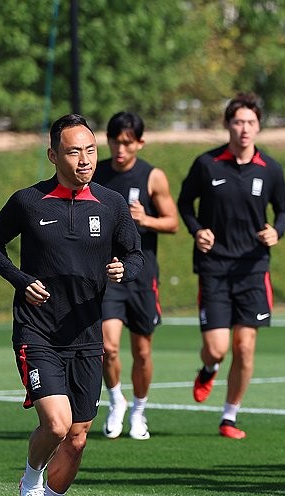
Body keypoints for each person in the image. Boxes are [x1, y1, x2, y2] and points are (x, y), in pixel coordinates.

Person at [0, 114, 143, 496]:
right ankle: (30, 478)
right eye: (74, 151)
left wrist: (124, 269)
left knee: (78, 439)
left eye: (90, 150)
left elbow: (134, 253)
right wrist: (22, 282)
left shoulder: (112, 204)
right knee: (58, 426)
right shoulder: (29, 202)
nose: (85, 160)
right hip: (37, 331)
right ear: (54, 155)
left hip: (87, 334)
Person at [177, 93, 285, 439]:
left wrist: (277, 231)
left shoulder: (270, 169)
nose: (244, 129)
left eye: (251, 123)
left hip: (253, 269)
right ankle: (209, 367)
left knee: (244, 346)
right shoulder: (207, 164)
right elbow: (184, 203)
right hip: (214, 268)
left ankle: (229, 416)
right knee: (218, 348)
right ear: (227, 124)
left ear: (258, 126)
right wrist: (197, 231)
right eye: (238, 122)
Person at [93, 111, 179, 441]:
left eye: (127, 142)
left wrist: (147, 219)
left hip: (142, 274)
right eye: (115, 141)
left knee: (142, 351)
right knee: (108, 347)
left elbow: (171, 222)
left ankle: (139, 411)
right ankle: (116, 401)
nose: (120, 148)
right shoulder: (97, 175)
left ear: (139, 143)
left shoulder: (152, 176)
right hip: (108, 274)